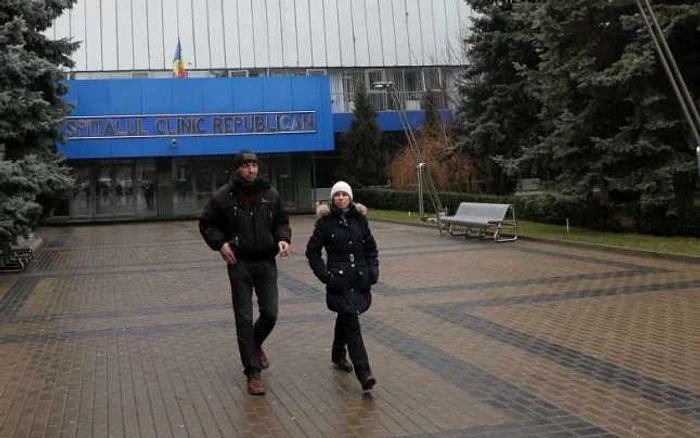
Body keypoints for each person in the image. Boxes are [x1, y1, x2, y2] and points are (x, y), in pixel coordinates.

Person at [199, 150, 291, 395]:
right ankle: (252, 373)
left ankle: (255, 344)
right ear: (237, 169)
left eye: (254, 165)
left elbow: (282, 221)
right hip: (239, 263)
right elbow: (207, 223)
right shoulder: (223, 196)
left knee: (270, 313)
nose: (251, 170)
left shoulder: (270, 194)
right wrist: (221, 243)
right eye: (246, 165)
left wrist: (283, 238)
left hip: (266, 262)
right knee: (244, 319)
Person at [305, 181, 378, 391]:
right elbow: (312, 252)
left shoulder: (360, 220)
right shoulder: (325, 223)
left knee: (346, 316)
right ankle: (364, 373)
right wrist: (325, 276)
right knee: (351, 321)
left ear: (350, 198)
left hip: (359, 278)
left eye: (344, 194)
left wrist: (373, 271)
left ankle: (338, 354)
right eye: (336, 194)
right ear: (332, 198)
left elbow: (371, 249)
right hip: (338, 281)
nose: (340, 198)